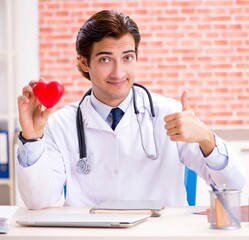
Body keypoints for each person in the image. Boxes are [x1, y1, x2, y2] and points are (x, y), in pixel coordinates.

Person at [17, 10, 245, 210]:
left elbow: (233, 185)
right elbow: (38, 202)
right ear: (85, 63)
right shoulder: (61, 124)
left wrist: (206, 138)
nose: (119, 72)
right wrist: (31, 137)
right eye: (105, 59)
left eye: (127, 57)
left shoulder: (170, 113)